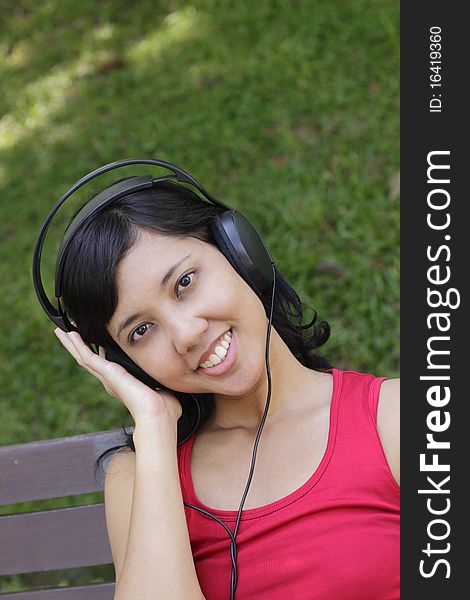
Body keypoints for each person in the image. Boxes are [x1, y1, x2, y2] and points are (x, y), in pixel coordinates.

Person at [49, 171, 400, 600]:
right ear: (127, 365)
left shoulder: (393, 419)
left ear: (240, 253)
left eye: (184, 283)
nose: (186, 334)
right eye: (141, 331)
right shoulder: (140, 480)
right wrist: (155, 426)